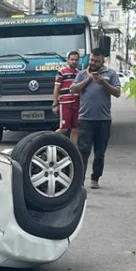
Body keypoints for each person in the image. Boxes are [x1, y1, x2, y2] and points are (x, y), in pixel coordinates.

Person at [69, 48, 121, 189]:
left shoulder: (111, 74)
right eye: (91, 60)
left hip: (103, 120)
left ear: (102, 62)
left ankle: (95, 178)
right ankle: (79, 180)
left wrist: (104, 83)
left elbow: (117, 93)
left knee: (100, 152)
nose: (93, 63)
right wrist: (88, 79)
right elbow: (73, 89)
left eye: (96, 61)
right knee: (83, 151)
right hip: (85, 119)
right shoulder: (82, 74)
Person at [52, 50, 81, 145]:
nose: (74, 62)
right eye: (72, 59)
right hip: (65, 103)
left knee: (75, 129)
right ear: (68, 60)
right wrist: (55, 104)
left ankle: (73, 150)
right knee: (64, 128)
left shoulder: (79, 73)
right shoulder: (61, 72)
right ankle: (49, 140)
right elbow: (56, 88)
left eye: (76, 60)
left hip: (76, 103)